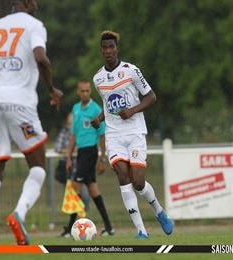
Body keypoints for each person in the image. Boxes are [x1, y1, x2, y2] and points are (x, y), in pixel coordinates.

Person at [0, 0, 63, 245]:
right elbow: (41, 58)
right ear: (28, 2)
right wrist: (51, 89)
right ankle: (19, 213)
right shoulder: (35, 25)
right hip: (21, 103)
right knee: (38, 166)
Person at [91, 30, 173, 239]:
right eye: (105, 48)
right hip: (114, 135)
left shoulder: (131, 71)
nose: (109, 51)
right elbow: (108, 106)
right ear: (101, 51)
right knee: (123, 176)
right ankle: (141, 231)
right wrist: (100, 118)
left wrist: (133, 110)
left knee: (138, 182)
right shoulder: (98, 78)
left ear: (117, 48)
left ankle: (158, 211)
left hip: (135, 131)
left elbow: (151, 97)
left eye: (112, 47)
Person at [66, 79, 114, 236]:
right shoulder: (75, 109)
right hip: (80, 153)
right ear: (78, 92)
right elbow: (73, 134)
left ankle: (69, 228)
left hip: (91, 152)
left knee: (75, 187)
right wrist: (68, 157)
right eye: (82, 91)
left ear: (90, 92)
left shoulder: (96, 110)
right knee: (93, 190)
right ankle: (109, 227)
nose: (85, 93)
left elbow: (102, 136)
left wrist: (102, 159)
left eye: (88, 90)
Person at [54, 112, 90, 238]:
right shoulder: (64, 133)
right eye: (70, 122)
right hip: (68, 173)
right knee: (73, 200)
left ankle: (76, 226)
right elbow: (58, 148)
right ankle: (72, 228)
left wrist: (71, 151)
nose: (71, 125)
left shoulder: (81, 132)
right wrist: (71, 151)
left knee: (84, 198)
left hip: (80, 170)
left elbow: (85, 148)